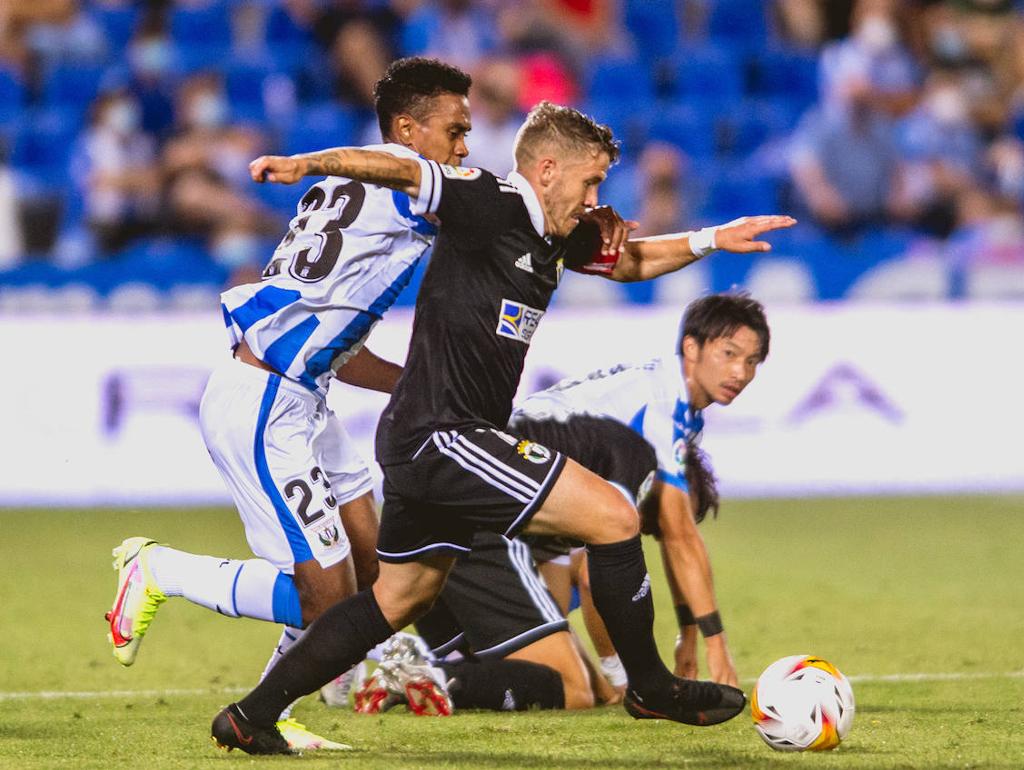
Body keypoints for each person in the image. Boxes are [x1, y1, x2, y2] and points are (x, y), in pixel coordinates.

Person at [210, 100, 794, 754]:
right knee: (615, 516)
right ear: (547, 170)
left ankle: (251, 715)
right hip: (443, 433)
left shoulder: (554, 234)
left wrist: (713, 238)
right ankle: (649, 686)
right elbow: (399, 172)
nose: (597, 197)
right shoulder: (489, 201)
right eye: (590, 182)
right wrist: (302, 164)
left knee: (396, 599)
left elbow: (626, 262)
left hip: (428, 438)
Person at [104, 56, 476, 750]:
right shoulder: (404, 187)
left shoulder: (349, 188)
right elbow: (491, 210)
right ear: (406, 131)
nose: (462, 149)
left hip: (305, 393)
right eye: (454, 131)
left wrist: (415, 385)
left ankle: (278, 709)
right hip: (265, 404)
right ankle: (160, 570)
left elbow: (333, 340)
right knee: (325, 596)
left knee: (373, 570)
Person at [408, 292, 769, 710]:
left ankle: (426, 667)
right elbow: (668, 540)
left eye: (753, 362)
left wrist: (619, 675)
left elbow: (561, 596)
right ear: (692, 347)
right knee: (571, 687)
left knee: (570, 684)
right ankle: (425, 671)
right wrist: (711, 645)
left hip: (464, 507)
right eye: (730, 353)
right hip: (481, 508)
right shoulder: (661, 403)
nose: (740, 372)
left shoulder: (655, 420)